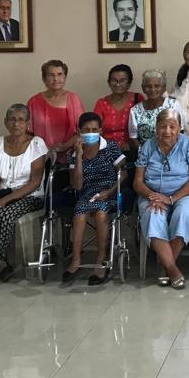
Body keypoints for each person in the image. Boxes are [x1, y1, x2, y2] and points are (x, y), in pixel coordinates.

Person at [0, 105, 48, 282]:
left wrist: (4, 201)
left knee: (4, 215)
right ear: (5, 122)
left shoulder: (36, 144)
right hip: (2, 193)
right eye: (12, 119)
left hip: (30, 196)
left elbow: (35, 182)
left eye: (20, 120)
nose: (16, 124)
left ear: (28, 123)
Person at [134, 109, 189, 288]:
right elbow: (137, 182)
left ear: (180, 128)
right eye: (162, 126)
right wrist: (152, 196)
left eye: (172, 126)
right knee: (152, 214)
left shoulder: (188, 144)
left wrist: (172, 198)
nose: (167, 131)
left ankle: (164, 266)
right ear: (156, 128)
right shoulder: (147, 146)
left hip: (188, 193)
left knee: (184, 213)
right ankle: (172, 268)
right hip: (153, 193)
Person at [63, 112, 125, 285]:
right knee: (79, 214)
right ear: (79, 131)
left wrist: (110, 191)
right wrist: (78, 156)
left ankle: (101, 259)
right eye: (86, 130)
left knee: (100, 213)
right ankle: (76, 260)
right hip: (88, 193)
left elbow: (124, 174)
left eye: (94, 130)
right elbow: (77, 185)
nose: (90, 133)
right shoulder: (74, 153)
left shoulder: (110, 147)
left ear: (100, 131)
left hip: (110, 190)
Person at [27, 59, 84, 162]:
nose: (56, 79)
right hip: (41, 157)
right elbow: (27, 134)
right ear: (44, 78)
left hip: (70, 156)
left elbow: (83, 130)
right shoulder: (34, 101)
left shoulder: (74, 99)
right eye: (51, 75)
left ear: (65, 77)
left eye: (59, 74)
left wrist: (65, 146)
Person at [128, 70, 186, 155]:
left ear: (163, 88)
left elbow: (181, 131)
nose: (152, 89)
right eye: (148, 86)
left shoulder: (173, 105)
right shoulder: (135, 110)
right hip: (146, 155)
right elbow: (133, 138)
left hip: (172, 153)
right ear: (143, 88)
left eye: (157, 86)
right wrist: (144, 153)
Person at [93, 64, 142, 151]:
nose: (118, 84)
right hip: (107, 151)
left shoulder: (137, 99)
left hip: (133, 149)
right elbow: (95, 130)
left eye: (122, 81)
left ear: (129, 83)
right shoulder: (101, 103)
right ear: (109, 83)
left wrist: (130, 145)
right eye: (114, 80)